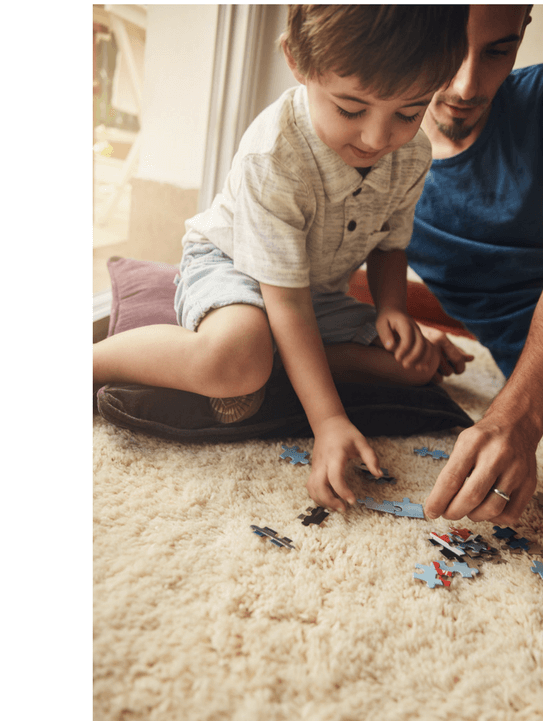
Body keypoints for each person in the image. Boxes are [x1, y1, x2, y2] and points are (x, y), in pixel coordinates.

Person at [93, 5, 469, 513]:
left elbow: (389, 243)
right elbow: (285, 304)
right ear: (299, 61)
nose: (379, 139)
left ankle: (282, 359)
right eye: (352, 109)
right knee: (236, 361)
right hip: (230, 264)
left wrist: (393, 310)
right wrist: (329, 422)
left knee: (413, 368)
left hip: (312, 292)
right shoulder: (275, 155)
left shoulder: (412, 154)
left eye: (408, 112)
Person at [405, 5, 543, 524]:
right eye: (447, 47)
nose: (467, 84)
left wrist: (516, 418)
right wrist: (386, 326)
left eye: (498, 49)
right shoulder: (374, 157)